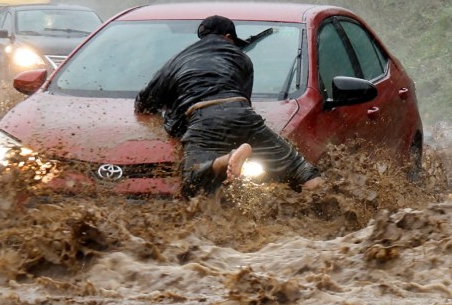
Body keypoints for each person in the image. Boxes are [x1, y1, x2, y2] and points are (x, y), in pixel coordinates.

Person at [135, 15, 325, 198]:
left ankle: (227, 159)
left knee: (191, 183)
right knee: (303, 171)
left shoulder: (177, 61)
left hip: (203, 118)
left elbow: (144, 103)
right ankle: (329, 208)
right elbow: (243, 101)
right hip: (242, 113)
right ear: (228, 37)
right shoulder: (241, 58)